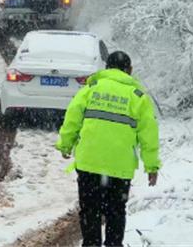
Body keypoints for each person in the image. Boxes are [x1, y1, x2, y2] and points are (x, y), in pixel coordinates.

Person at [56, 51, 161, 247]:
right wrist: (152, 166)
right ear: (129, 70)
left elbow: (73, 118)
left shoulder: (91, 90)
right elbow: (149, 134)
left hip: (89, 163)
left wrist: (66, 144)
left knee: (90, 210)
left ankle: (91, 244)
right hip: (119, 167)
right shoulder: (138, 97)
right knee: (116, 211)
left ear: (106, 68)